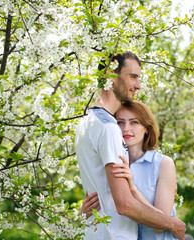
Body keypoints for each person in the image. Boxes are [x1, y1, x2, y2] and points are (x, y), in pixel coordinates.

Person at [75, 51, 186, 240]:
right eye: (133, 77)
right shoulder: (108, 128)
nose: (138, 86)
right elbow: (124, 204)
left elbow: (101, 187)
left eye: (134, 122)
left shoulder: (85, 122)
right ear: (110, 75)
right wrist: (171, 223)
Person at [82, 100, 179, 240]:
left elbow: (160, 225)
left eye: (134, 122)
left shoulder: (163, 164)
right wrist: (84, 212)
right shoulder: (111, 163)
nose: (126, 128)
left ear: (147, 128)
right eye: (120, 122)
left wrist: (132, 188)